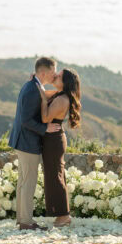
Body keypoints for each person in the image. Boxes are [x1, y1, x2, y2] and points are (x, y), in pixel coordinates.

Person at [8, 57, 61, 229]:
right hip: (27, 142)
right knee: (28, 183)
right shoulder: (33, 88)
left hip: (22, 141)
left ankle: (22, 220)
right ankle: (26, 222)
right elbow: (26, 120)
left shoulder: (33, 85)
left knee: (23, 182)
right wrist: (45, 128)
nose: (54, 76)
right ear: (44, 72)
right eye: (53, 72)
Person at [38, 67, 82, 227]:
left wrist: (43, 102)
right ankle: (62, 214)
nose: (55, 76)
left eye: (59, 76)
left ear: (65, 82)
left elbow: (45, 118)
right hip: (52, 138)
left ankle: (63, 216)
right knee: (55, 175)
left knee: (54, 177)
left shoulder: (62, 99)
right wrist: (38, 79)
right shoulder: (58, 95)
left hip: (53, 139)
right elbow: (41, 91)